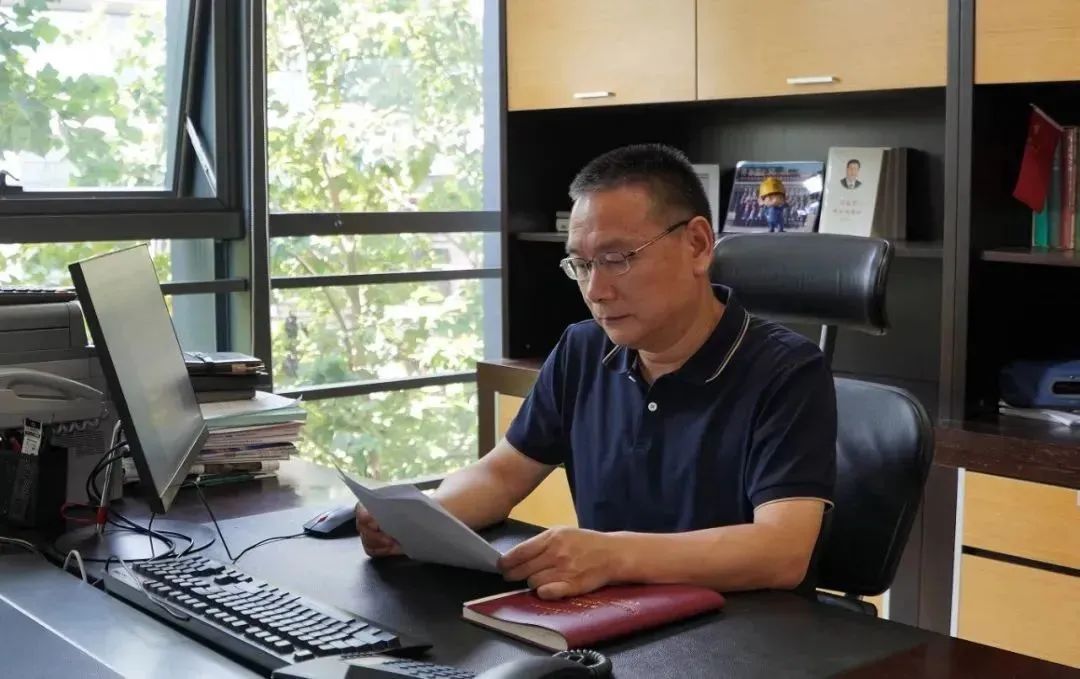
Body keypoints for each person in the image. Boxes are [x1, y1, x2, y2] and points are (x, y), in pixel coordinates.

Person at [356, 143, 837, 601]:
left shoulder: (787, 370)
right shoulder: (583, 349)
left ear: (696, 244)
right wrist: (424, 519)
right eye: (582, 265)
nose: (596, 290)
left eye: (616, 259)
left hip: (741, 631)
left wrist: (614, 555)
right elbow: (501, 474)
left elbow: (782, 552)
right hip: (607, 618)